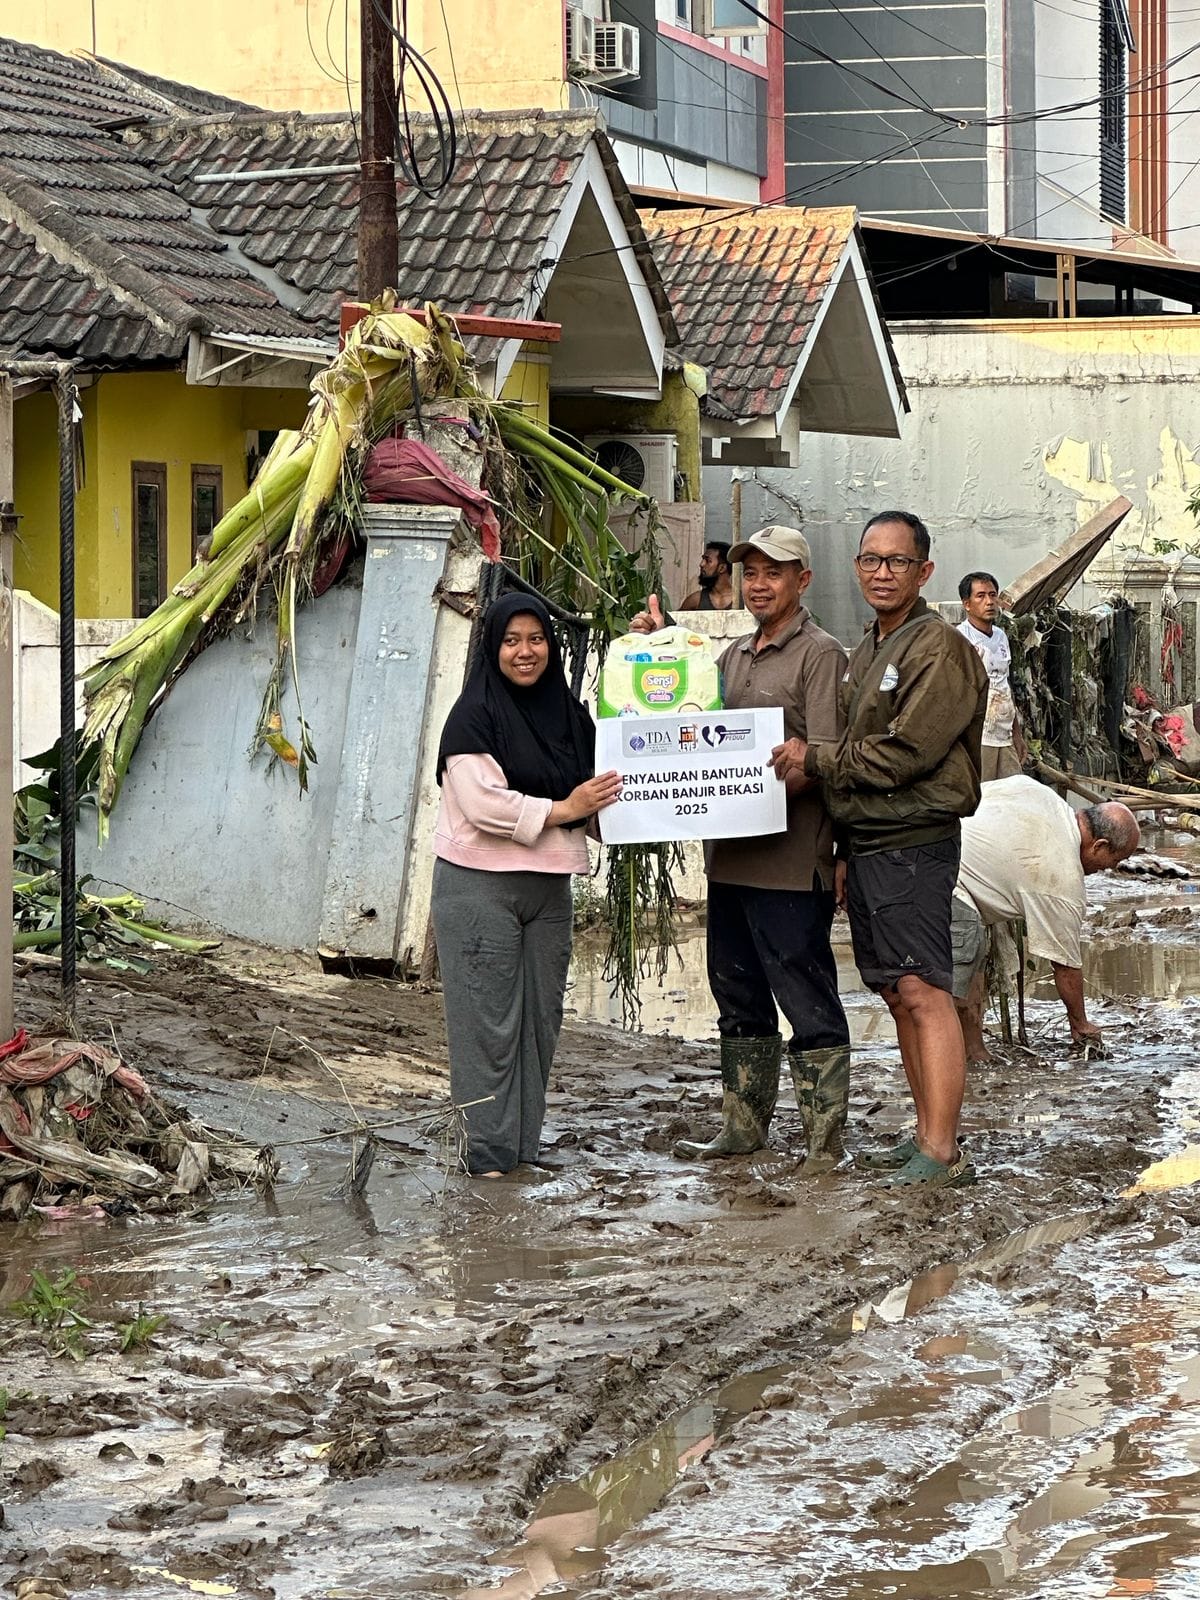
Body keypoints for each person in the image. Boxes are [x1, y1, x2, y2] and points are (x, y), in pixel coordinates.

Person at [771, 511, 989, 1189]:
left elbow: (908, 752)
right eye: (871, 560)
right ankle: (925, 1134)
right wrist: (838, 846)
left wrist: (818, 758)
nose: (882, 572)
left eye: (897, 561)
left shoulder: (940, 647)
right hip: (868, 842)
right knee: (898, 991)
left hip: (914, 841)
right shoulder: (868, 646)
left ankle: (943, 1150)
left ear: (924, 571)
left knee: (926, 990)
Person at [631, 526, 852, 1167]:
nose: (758, 584)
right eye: (749, 573)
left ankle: (822, 1142)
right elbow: (687, 723)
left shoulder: (822, 654)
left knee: (807, 999)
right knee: (737, 996)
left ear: (802, 581)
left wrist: (837, 849)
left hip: (790, 861)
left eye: (773, 573)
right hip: (729, 860)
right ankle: (744, 1128)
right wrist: (653, 651)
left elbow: (831, 759)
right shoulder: (730, 657)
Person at [432, 593, 622, 1177]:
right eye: (511, 640)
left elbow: (608, 786)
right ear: (493, 647)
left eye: (535, 639)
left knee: (538, 1027)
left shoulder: (570, 716)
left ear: (551, 645)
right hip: (478, 887)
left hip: (549, 891)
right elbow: (483, 805)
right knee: (487, 1028)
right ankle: (486, 1159)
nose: (524, 652)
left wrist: (648, 646)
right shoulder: (472, 715)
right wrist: (567, 808)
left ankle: (521, 1150)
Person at [951, 775, 1140, 1061]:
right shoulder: (1062, 878)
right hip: (944, 882)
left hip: (932, 849)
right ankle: (942, 1067)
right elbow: (1065, 965)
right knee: (946, 990)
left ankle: (974, 1053)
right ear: (1099, 846)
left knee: (972, 962)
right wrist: (1080, 1024)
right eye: (1115, 860)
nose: (1110, 868)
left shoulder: (1038, 792)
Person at [957, 571, 1027, 781]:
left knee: (1012, 793)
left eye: (992, 595)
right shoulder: (960, 639)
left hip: (1004, 734)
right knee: (983, 798)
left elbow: (1004, 685)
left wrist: (1017, 733)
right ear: (967, 604)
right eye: (981, 596)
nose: (989, 602)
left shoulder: (1001, 636)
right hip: (980, 737)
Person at [678, 541, 735, 612]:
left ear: (722, 568)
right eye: (703, 559)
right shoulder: (695, 600)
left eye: (708, 561)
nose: (701, 564)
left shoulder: (742, 600)